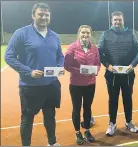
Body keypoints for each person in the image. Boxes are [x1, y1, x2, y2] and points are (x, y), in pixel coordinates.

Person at [4, 3, 63, 146]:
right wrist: (28, 71)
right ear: (33, 16)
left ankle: (52, 142)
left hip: (51, 85)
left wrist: (59, 67)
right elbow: (9, 56)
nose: (44, 17)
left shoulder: (54, 36)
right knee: (27, 118)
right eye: (40, 14)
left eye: (47, 15)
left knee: (50, 116)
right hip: (30, 86)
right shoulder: (22, 33)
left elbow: (60, 56)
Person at [98, 11, 138, 136]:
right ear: (112, 21)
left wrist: (133, 65)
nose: (117, 22)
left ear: (123, 20)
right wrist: (107, 65)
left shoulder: (130, 34)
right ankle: (112, 123)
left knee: (128, 98)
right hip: (112, 74)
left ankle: (129, 122)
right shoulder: (105, 34)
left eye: (119, 20)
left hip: (127, 74)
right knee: (113, 99)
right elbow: (100, 52)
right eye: (115, 20)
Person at [64, 25, 101, 145]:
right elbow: (67, 65)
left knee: (87, 108)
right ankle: (77, 132)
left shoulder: (94, 48)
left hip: (90, 84)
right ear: (79, 34)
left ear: (91, 34)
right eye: (83, 33)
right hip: (76, 84)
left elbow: (98, 64)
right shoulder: (72, 48)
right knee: (76, 109)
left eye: (88, 33)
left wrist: (95, 71)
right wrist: (79, 71)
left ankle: (87, 131)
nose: (85, 35)